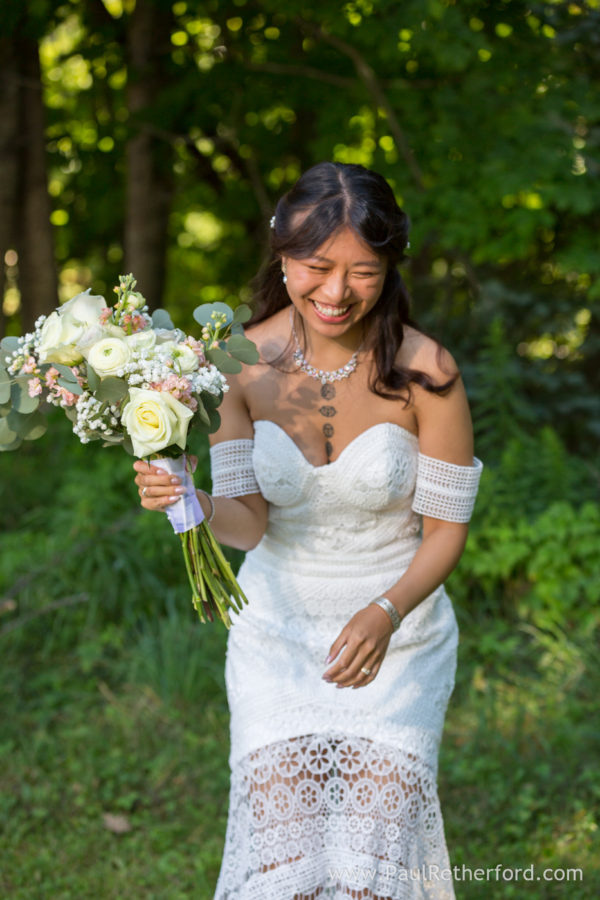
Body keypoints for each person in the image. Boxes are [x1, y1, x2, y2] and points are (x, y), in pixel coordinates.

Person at [134, 162, 482, 899]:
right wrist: (187, 499)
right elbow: (249, 524)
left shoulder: (428, 373)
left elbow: (446, 533)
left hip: (399, 632)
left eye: (364, 271)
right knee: (286, 870)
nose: (336, 292)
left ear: (390, 267)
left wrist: (387, 612)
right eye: (317, 267)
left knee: (369, 871)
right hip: (276, 635)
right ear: (283, 257)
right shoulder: (236, 367)